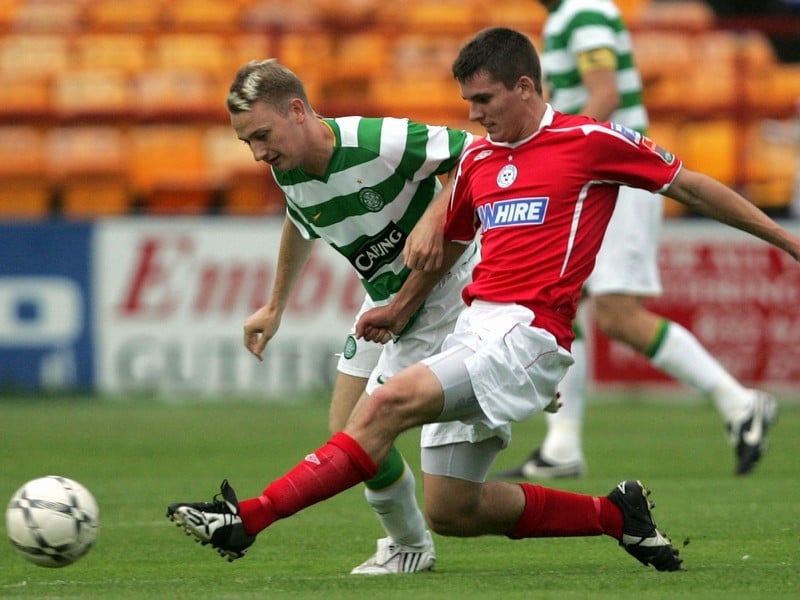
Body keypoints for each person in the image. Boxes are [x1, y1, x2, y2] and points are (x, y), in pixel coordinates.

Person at [166, 27, 800, 574]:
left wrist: (784, 239)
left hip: (528, 331)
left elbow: (692, 188)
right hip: (476, 328)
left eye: (484, 99)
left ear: (525, 87)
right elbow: (446, 247)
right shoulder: (479, 162)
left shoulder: (590, 141)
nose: (473, 114)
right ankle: (617, 515)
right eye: (467, 101)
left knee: (381, 406)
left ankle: (247, 518)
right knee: (453, 510)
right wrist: (397, 307)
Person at [495, 0, 777, 480]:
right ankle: (562, 445)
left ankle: (739, 401)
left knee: (619, 315)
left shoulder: (583, 11)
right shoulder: (569, 16)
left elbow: (603, 94)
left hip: (614, 179)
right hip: (596, 178)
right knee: (556, 301)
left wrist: (551, 155)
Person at [223, 59, 481, 574]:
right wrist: (276, 306)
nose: (257, 154)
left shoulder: (377, 140)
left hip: (450, 289)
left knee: (366, 433)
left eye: (262, 135)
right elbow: (300, 225)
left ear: (297, 111)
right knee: (345, 428)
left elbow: (474, 152)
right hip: (383, 298)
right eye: (247, 142)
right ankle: (411, 544)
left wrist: (434, 217)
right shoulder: (287, 167)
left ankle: (411, 543)